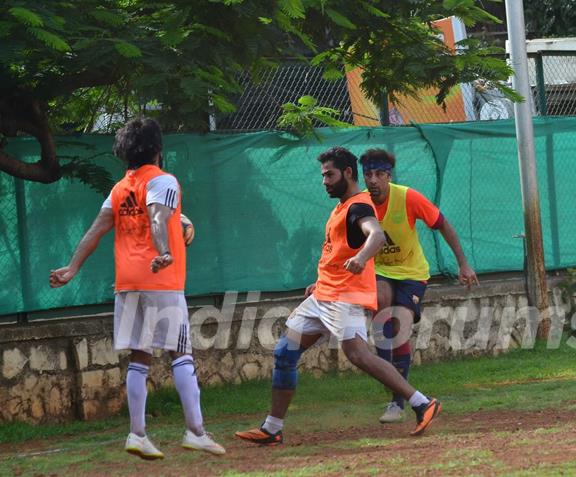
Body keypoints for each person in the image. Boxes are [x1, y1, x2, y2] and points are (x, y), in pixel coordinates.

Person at [234, 147, 441, 445]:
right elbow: (336, 252)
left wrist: (361, 259)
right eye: (322, 176)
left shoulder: (358, 206)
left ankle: (422, 402)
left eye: (329, 175)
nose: (324, 182)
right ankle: (272, 427)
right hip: (323, 295)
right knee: (284, 352)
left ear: (347, 173)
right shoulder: (342, 207)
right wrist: (318, 283)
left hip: (343, 297)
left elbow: (377, 236)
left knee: (358, 355)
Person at [49, 118, 225, 459]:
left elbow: (96, 230)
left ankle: (137, 434)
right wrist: (164, 251)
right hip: (160, 280)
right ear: (159, 151)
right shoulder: (163, 180)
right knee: (181, 354)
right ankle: (196, 431)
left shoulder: (119, 189)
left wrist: (72, 267)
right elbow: (158, 217)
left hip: (127, 283)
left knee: (139, 358)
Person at [359, 148, 479, 424]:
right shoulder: (359, 203)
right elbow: (339, 241)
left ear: (388, 176)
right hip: (379, 271)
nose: (373, 180)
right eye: (368, 174)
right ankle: (396, 391)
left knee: (399, 328)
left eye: (379, 174)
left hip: (412, 272)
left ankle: (397, 402)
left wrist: (463, 264)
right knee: (382, 315)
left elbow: (443, 225)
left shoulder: (408, 197)